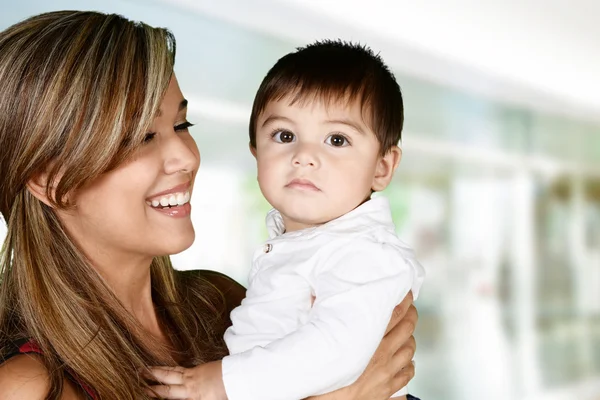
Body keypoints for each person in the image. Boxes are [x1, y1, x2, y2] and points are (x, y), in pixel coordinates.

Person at [0, 10, 418, 400]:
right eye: (143, 137)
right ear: (50, 181)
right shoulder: (28, 386)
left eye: (182, 125)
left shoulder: (220, 302)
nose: (187, 157)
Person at [148, 41, 424, 400]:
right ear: (256, 152)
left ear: (382, 167)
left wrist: (222, 383)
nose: (304, 156)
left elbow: (337, 349)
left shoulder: (364, 253)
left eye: (337, 140)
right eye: (285, 136)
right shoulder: (307, 244)